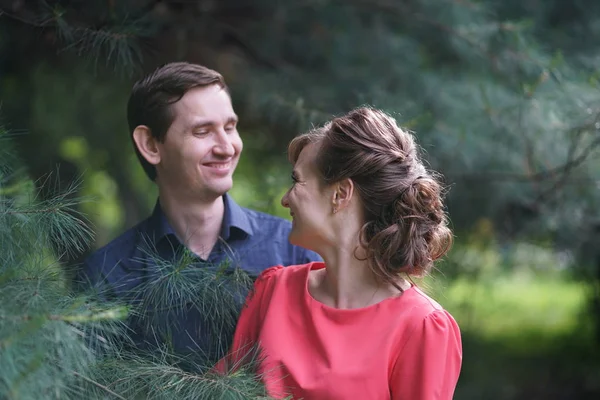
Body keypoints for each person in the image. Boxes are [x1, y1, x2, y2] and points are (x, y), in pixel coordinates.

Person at [79, 62, 320, 359]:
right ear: (151, 145)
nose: (227, 147)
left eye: (230, 128)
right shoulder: (107, 276)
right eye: (203, 131)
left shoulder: (296, 251)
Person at [222, 107, 462, 399]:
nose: (285, 199)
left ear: (340, 195)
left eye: (297, 181)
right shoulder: (272, 290)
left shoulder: (420, 327)